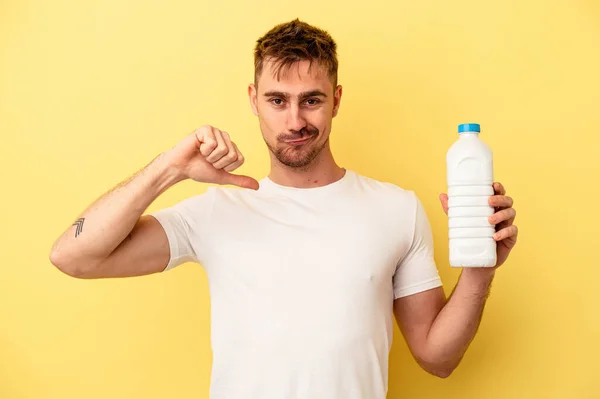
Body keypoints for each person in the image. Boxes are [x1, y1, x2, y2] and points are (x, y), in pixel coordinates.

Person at [49, 19, 518, 399]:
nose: (295, 121)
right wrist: (169, 169)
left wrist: (481, 268)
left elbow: (438, 359)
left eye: (311, 100)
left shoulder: (397, 209)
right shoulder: (218, 211)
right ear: (254, 100)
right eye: (278, 100)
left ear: (335, 100)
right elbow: (74, 256)